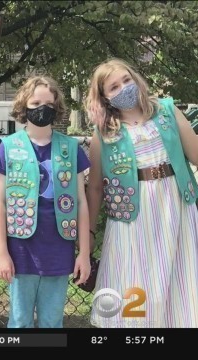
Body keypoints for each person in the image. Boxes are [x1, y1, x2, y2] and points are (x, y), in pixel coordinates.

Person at [85, 58, 198, 328]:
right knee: (137, 280)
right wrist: (87, 238)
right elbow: (96, 188)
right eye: (114, 87)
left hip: (176, 207)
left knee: (182, 279)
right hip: (132, 218)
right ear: (105, 97)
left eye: (127, 80)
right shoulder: (103, 134)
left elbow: (195, 154)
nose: (124, 88)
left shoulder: (167, 111)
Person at [0, 76, 91, 328]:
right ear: (24, 106)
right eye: (35, 103)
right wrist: (2, 252)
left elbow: (81, 201)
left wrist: (85, 254)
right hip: (20, 250)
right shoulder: (8, 147)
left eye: (48, 102)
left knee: (51, 320)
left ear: (56, 107)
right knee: (20, 320)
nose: (42, 108)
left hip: (58, 249)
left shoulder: (70, 148)